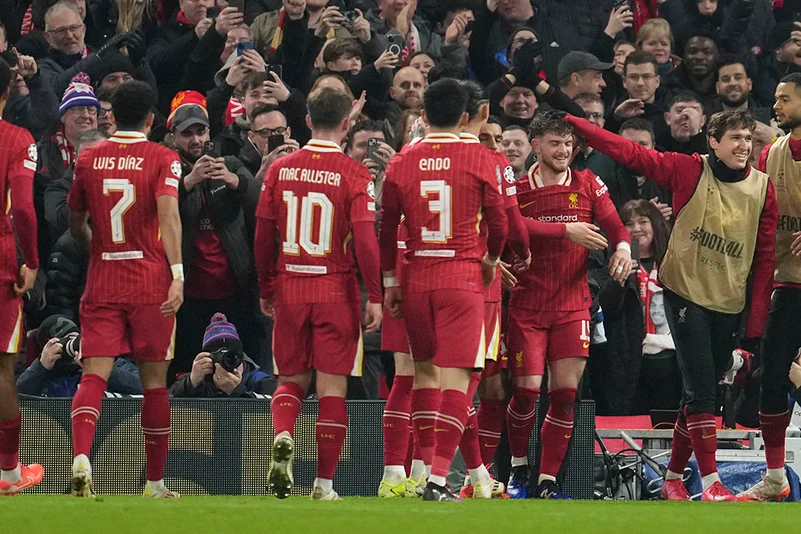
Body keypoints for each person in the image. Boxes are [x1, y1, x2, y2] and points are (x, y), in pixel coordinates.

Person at [566, 109, 777, 502]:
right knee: (701, 393)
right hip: (684, 291)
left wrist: (756, 323)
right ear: (712, 142)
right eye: (734, 138)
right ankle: (712, 482)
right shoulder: (688, 170)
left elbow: (765, 258)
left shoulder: (764, 189)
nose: (744, 146)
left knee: (699, 393)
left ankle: (674, 478)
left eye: (748, 139)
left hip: (728, 299)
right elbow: (630, 153)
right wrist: (579, 126)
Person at [380, 78, 508, 502]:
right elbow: (501, 222)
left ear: (423, 114)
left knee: (423, 376)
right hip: (462, 278)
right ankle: (436, 478)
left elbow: (386, 227)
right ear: (466, 115)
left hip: (416, 279)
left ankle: (414, 473)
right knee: (457, 379)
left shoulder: (401, 161)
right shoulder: (481, 157)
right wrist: (490, 261)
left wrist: (390, 282)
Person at [255, 87, 383, 501]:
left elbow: (261, 236)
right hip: (336, 289)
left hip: (290, 285)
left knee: (290, 380)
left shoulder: (279, 169)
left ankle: (283, 435)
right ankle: (324, 485)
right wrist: (376, 295)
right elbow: (365, 241)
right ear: (347, 125)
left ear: (307, 121)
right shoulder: (355, 174)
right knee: (333, 390)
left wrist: (266, 285)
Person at [67, 81, 185, 499]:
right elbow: (169, 214)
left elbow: (75, 222)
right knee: (154, 382)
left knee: (93, 375)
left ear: (110, 116)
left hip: (103, 280)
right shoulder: (163, 157)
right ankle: (154, 484)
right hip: (151, 281)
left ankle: (82, 456)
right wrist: (178, 273)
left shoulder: (89, 159)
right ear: (153, 119)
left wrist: (95, 247)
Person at [505, 111, 631, 500]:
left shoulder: (589, 184)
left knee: (564, 395)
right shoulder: (516, 188)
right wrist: (566, 230)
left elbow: (617, 228)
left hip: (572, 303)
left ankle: (546, 480)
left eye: (568, 144)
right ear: (536, 145)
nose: (563, 151)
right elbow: (511, 227)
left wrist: (624, 248)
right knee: (526, 393)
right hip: (526, 302)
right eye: (555, 143)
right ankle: (517, 467)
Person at [456, 80, 529, 499]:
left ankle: (471, 476)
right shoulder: (491, 166)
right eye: (487, 137)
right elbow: (510, 222)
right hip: (478, 284)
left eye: (499, 140)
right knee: (464, 381)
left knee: (490, 386)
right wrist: (507, 253)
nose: (494, 146)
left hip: (480, 288)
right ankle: (467, 475)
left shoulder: (423, 155)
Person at [739, 72, 801, 502]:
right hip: (788, 282)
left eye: (784, 99)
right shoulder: (770, 155)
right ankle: (776, 477)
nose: (774, 106)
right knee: (772, 379)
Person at [0, 56, 44, 496]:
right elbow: (26, 210)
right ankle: (10, 475)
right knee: (1, 369)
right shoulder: (17, 139)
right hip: (1, 266)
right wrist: (30, 261)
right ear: (9, 90)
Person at [596, 200, 680, 416]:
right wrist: (618, 280)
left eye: (643, 221)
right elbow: (607, 309)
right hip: (629, 363)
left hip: (672, 363)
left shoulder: (674, 261)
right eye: (629, 224)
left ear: (656, 225)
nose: (636, 229)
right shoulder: (612, 262)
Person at [16, 314, 142, 397]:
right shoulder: (41, 373)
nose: (73, 349)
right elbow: (17, 397)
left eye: (76, 339)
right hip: (53, 434)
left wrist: (99, 369)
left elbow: (143, 386)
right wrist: (41, 366)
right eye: (65, 341)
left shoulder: (108, 362)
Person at [169, 313, 276, 398]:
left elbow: (277, 405)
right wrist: (190, 383)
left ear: (241, 356)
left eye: (232, 355)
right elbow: (166, 401)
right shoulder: (199, 379)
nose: (226, 361)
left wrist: (237, 391)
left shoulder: (258, 380)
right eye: (219, 356)